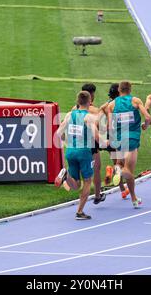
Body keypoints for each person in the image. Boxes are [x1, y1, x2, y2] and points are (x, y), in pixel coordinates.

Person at [55, 91, 101, 220]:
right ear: (90, 101)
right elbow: (97, 137)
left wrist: (67, 140)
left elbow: (59, 133)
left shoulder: (70, 115)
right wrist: (107, 142)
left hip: (70, 151)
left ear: (78, 101)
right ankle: (80, 212)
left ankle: (66, 175)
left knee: (75, 185)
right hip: (84, 152)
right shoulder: (89, 117)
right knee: (87, 181)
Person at [107, 81, 151, 208]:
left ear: (119, 90)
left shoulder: (112, 104)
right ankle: (133, 198)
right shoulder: (135, 101)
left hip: (119, 139)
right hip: (131, 139)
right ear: (130, 90)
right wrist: (145, 126)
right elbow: (147, 117)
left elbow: (110, 127)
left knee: (123, 167)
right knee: (129, 172)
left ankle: (117, 169)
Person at [71, 83, 105, 204]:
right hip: (90, 143)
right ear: (91, 96)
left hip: (76, 143)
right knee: (96, 168)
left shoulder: (73, 109)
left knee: (79, 172)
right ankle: (97, 195)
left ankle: (69, 179)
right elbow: (100, 128)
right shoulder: (94, 111)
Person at [100, 84, 129, 199]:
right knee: (120, 163)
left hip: (109, 135)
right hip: (118, 135)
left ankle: (123, 190)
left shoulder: (108, 104)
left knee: (116, 161)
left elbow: (101, 109)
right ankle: (111, 170)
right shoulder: (119, 104)